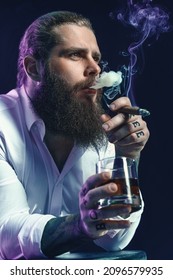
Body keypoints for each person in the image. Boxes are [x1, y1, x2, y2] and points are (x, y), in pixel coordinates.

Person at [0, 11, 149, 259]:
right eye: (75, 55)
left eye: (96, 58)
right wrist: (79, 226)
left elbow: (115, 240)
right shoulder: (3, 125)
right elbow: (6, 235)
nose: (95, 68)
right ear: (34, 68)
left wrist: (127, 157)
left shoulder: (100, 132)